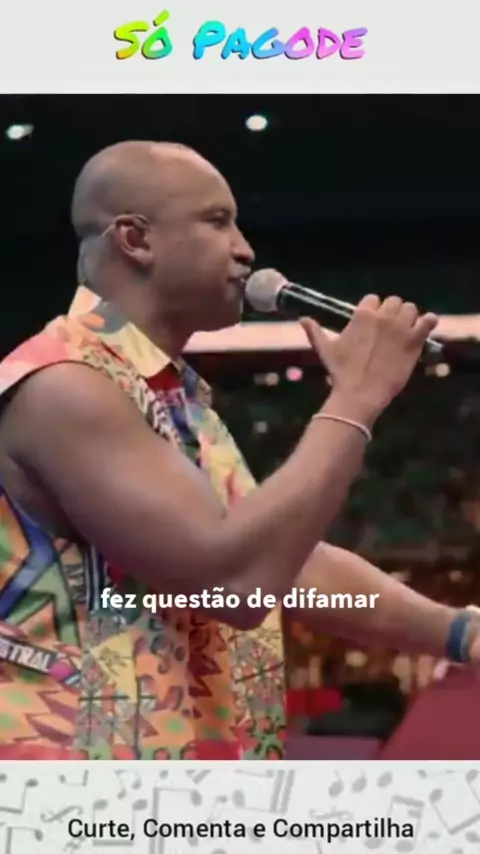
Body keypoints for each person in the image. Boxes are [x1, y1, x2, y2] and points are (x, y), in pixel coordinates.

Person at [0, 140, 477, 761]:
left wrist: (459, 631)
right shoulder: (65, 385)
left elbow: (285, 564)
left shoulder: (171, 396)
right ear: (135, 240)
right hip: (73, 781)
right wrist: (354, 400)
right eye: (217, 221)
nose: (245, 249)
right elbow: (235, 585)